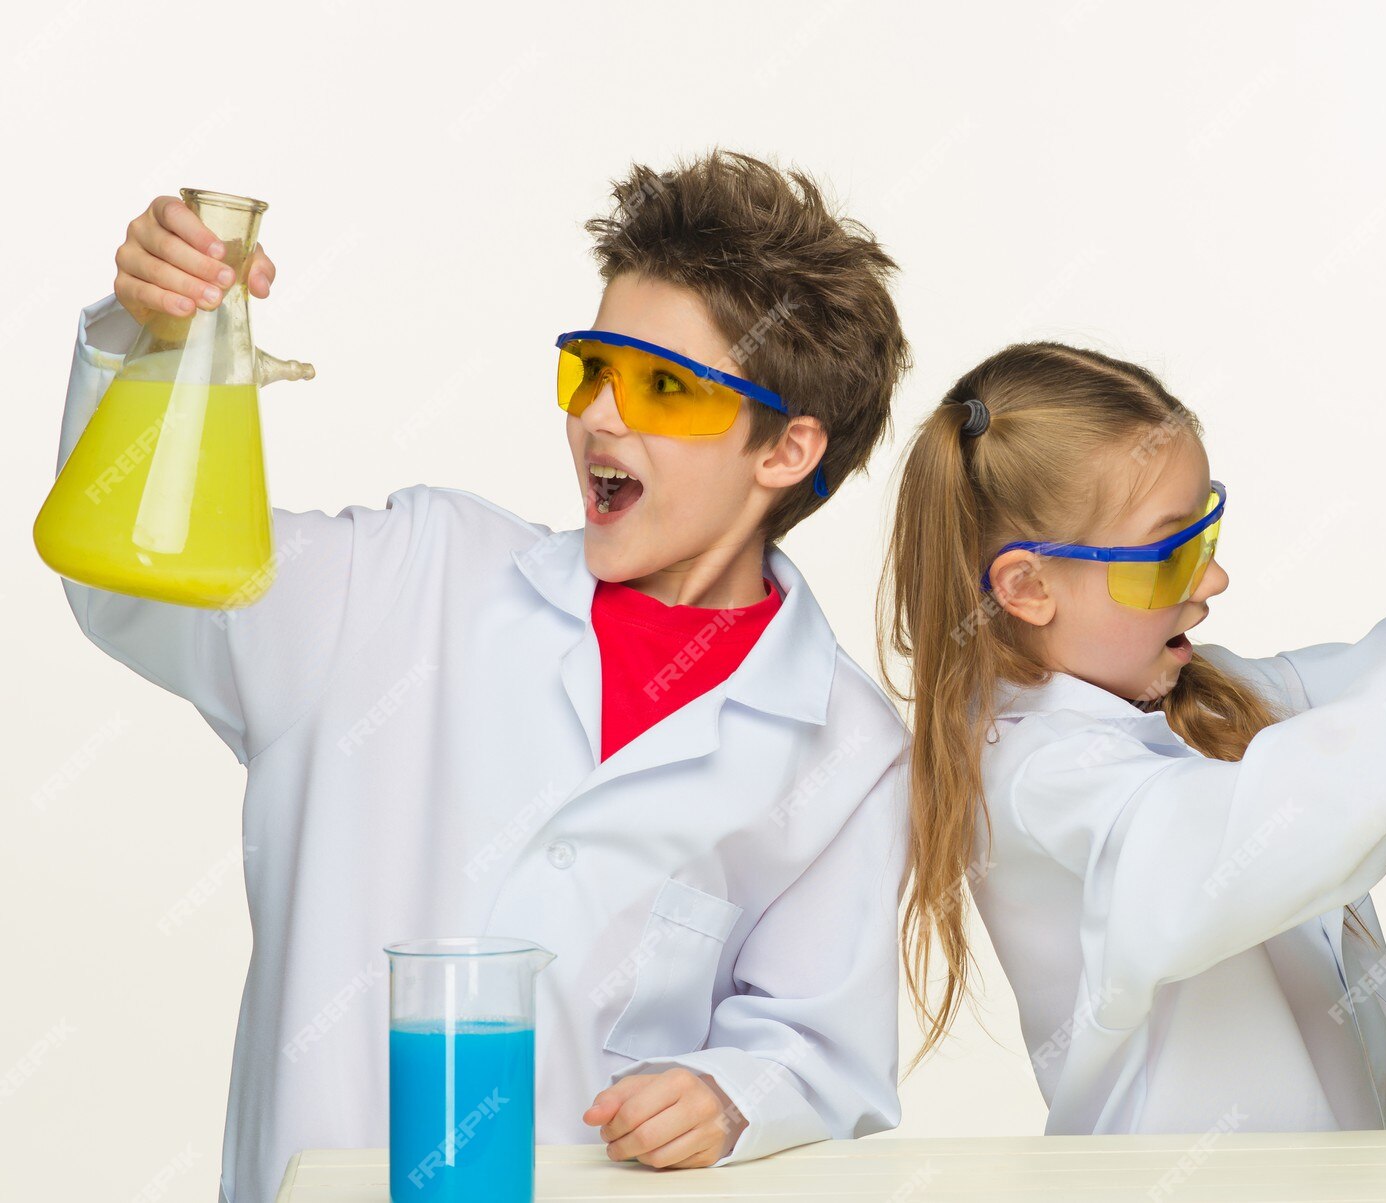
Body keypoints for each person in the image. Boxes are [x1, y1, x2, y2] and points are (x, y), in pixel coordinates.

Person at [53, 153, 911, 1203]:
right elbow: (134, 583)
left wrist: (731, 1094)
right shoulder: (407, 577)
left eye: (662, 388)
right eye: (590, 369)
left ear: (785, 450)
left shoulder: (843, 745)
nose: (599, 416)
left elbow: (819, 1048)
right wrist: (161, 347)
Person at [882, 341, 1386, 1135]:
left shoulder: (1201, 698)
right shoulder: (1035, 773)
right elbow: (1258, 829)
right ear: (1027, 587)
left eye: (1207, 532)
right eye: (1168, 554)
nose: (1213, 579)